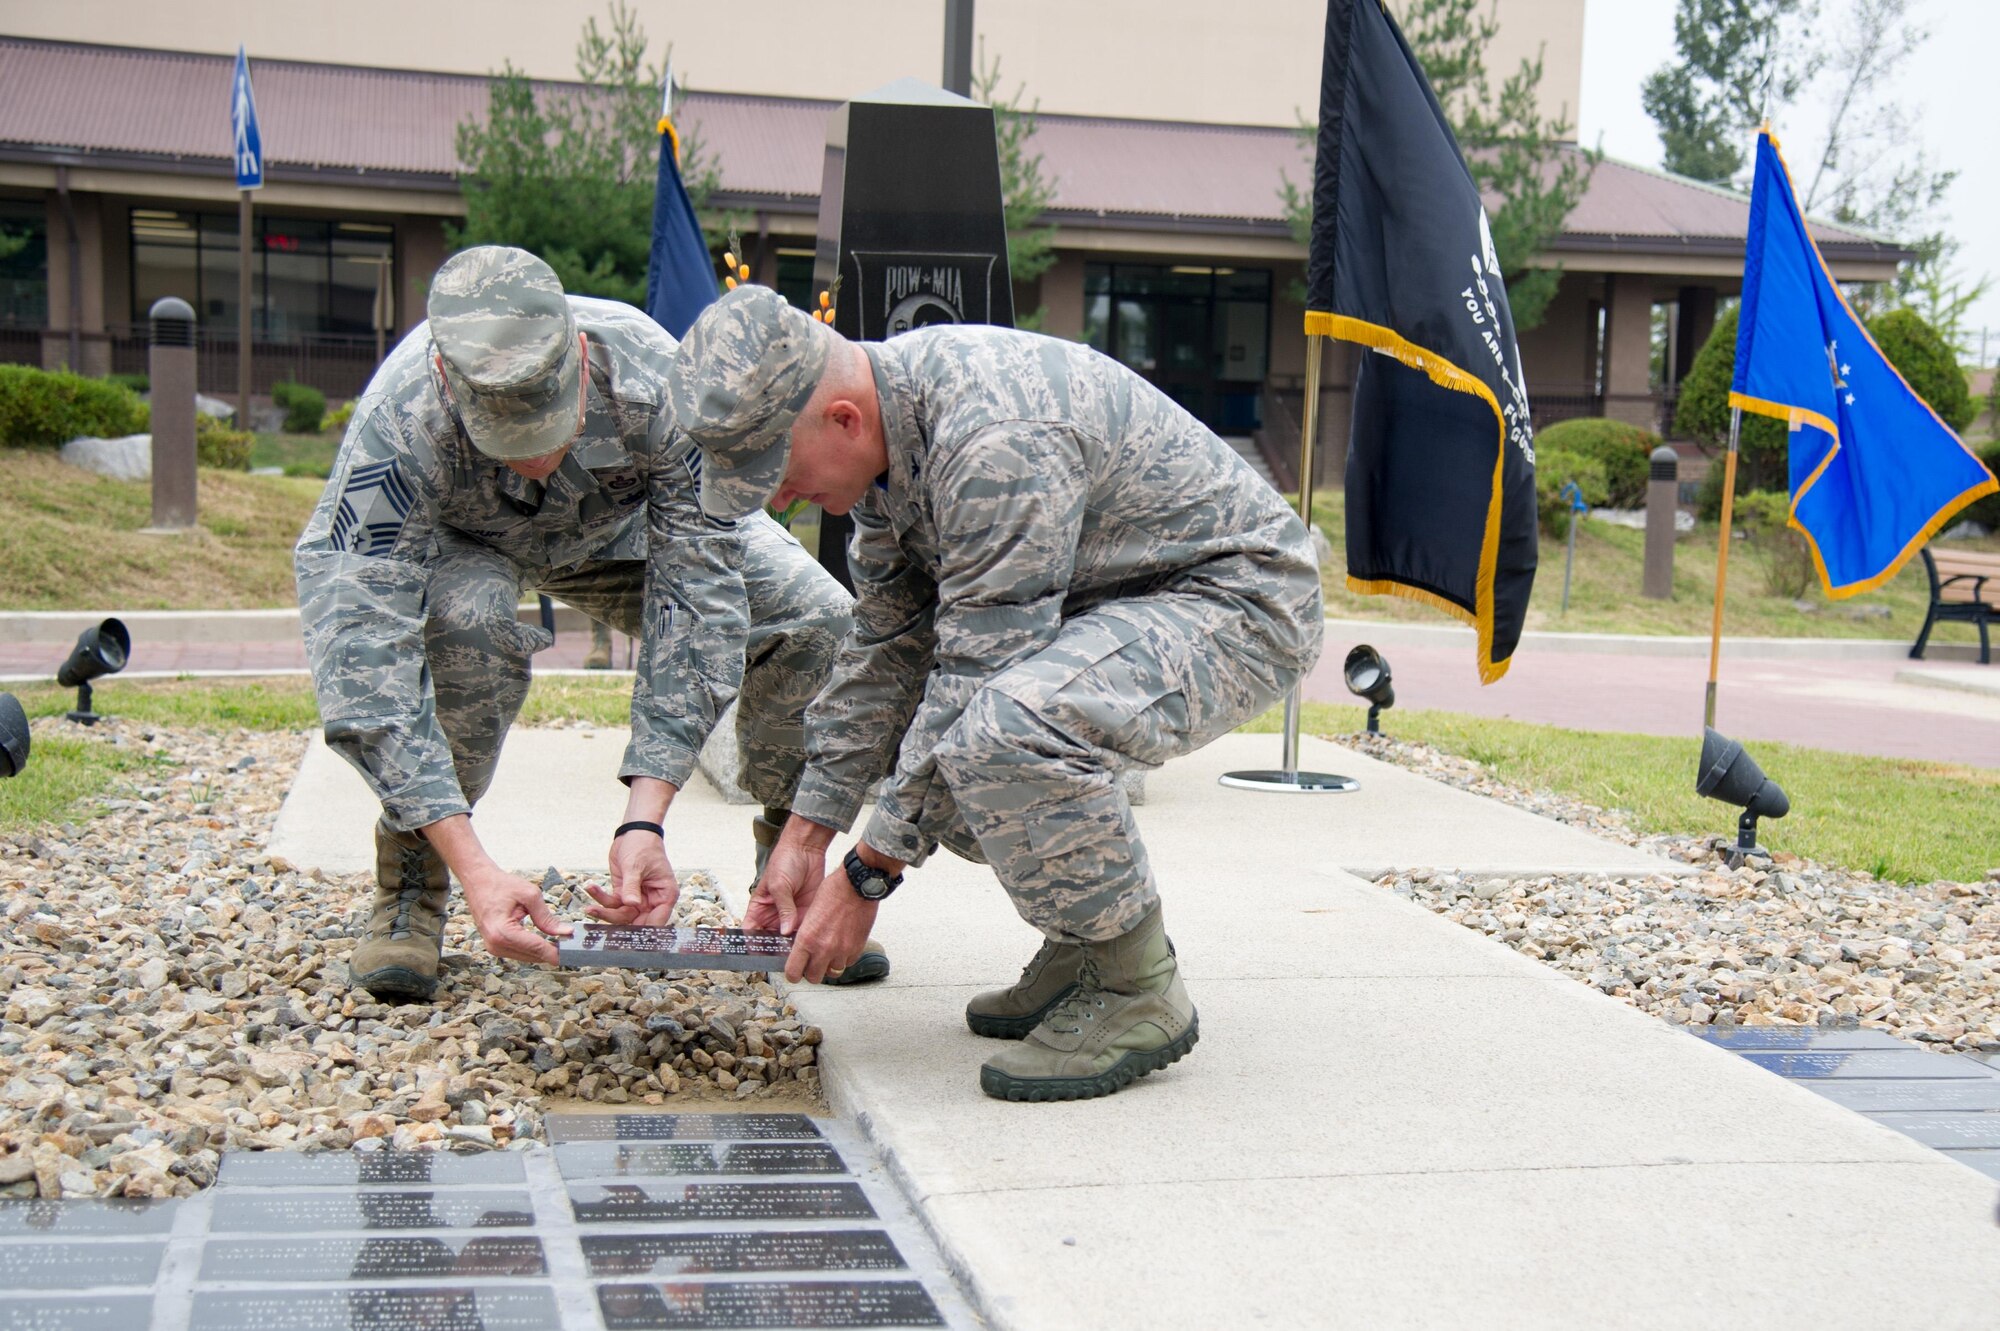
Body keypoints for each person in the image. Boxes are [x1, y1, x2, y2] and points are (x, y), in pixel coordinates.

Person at [664, 284, 1325, 1101]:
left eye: (778, 471)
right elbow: (885, 648)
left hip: (1239, 600)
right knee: (969, 748)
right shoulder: (890, 449)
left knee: (1005, 730)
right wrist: (807, 834)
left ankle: (1134, 984)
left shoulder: (992, 441)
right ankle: (1084, 944)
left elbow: (975, 676)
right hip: (1117, 600)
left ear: (842, 419)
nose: (779, 499)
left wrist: (868, 876)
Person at [294, 246, 866, 1002]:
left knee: (816, 617)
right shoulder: (398, 424)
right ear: (447, 382)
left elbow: (698, 596)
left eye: (550, 426)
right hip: (471, 545)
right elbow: (363, 667)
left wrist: (645, 823)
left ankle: (786, 888)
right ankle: (415, 883)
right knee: (470, 626)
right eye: (510, 436)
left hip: (621, 531)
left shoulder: (656, 379)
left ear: (581, 358)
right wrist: (478, 870)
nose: (536, 455)